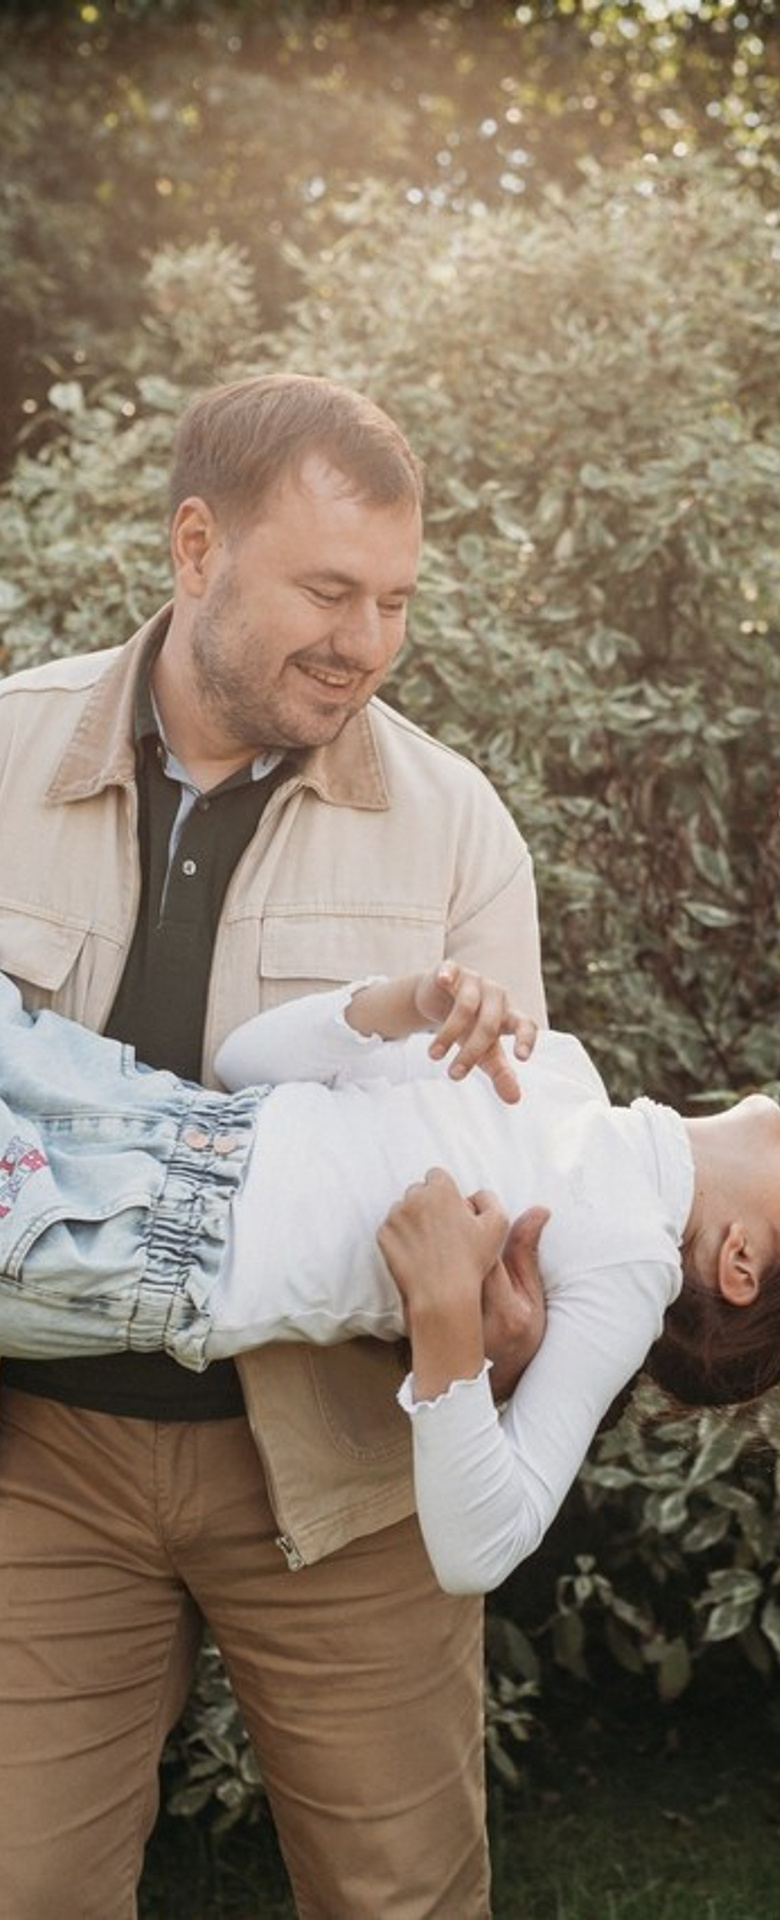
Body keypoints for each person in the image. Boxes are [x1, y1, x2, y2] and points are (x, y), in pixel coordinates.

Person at [0, 373, 547, 1918]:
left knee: (403, 1902)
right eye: (327, 590)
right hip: (40, 1465)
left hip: (342, 1466)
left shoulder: (456, 828)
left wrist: (507, 1310)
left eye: (392, 600)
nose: (365, 644)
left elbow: (508, 1169)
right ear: (194, 550)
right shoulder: (4, 751)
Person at [0, 958, 780, 1596]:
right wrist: (405, 1006)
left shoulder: (631, 1267)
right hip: (135, 1104)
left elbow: (482, 1550)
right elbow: (243, 1062)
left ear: (738, 1263)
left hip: (130, 1233)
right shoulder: (563, 1075)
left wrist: (446, 1319)